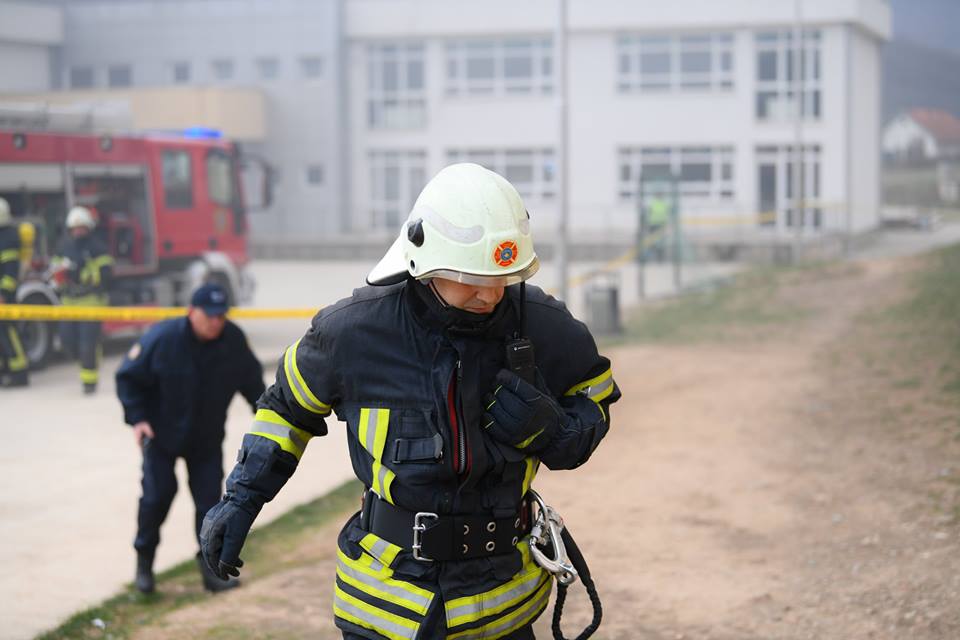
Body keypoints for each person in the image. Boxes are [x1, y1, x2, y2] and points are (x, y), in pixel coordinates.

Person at [200, 163, 621, 638]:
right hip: (385, 608)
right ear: (426, 261)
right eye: (471, 277)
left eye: (502, 277)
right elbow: (285, 411)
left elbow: (595, 397)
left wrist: (556, 431)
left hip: (504, 609)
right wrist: (241, 499)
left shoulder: (545, 325)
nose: (489, 294)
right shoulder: (351, 333)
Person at [116, 283, 266, 594]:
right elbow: (128, 378)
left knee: (210, 506)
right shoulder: (163, 338)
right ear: (192, 312)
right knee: (157, 499)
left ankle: (211, 572)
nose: (216, 322)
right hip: (161, 437)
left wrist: (269, 420)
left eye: (221, 316)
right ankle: (144, 565)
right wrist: (138, 419)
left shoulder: (233, 341)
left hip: (206, 440)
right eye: (209, 315)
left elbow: (254, 384)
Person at [53, 206, 114, 394]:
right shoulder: (64, 247)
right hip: (69, 303)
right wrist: (59, 275)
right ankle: (88, 360)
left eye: (81, 227)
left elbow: (106, 275)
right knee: (67, 341)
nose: (78, 231)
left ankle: (89, 383)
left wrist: (83, 275)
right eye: (75, 228)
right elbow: (55, 268)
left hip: (91, 302)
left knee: (88, 345)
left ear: (88, 227)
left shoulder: (98, 248)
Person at [0, 197, 29, 388]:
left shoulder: (8, 238)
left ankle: (20, 374)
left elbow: (10, 272)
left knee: (9, 333)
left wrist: (3, 294)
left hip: (5, 297)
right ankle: (7, 371)